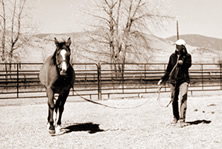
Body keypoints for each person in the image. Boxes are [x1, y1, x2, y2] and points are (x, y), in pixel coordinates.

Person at [158, 39, 192, 127]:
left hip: (183, 80)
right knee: (174, 100)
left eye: (179, 45)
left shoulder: (187, 56)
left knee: (183, 98)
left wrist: (182, 63)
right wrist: (163, 79)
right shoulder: (172, 56)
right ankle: (175, 117)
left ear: (183, 47)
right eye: (176, 45)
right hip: (173, 81)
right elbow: (169, 69)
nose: (177, 47)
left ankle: (182, 119)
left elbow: (188, 65)